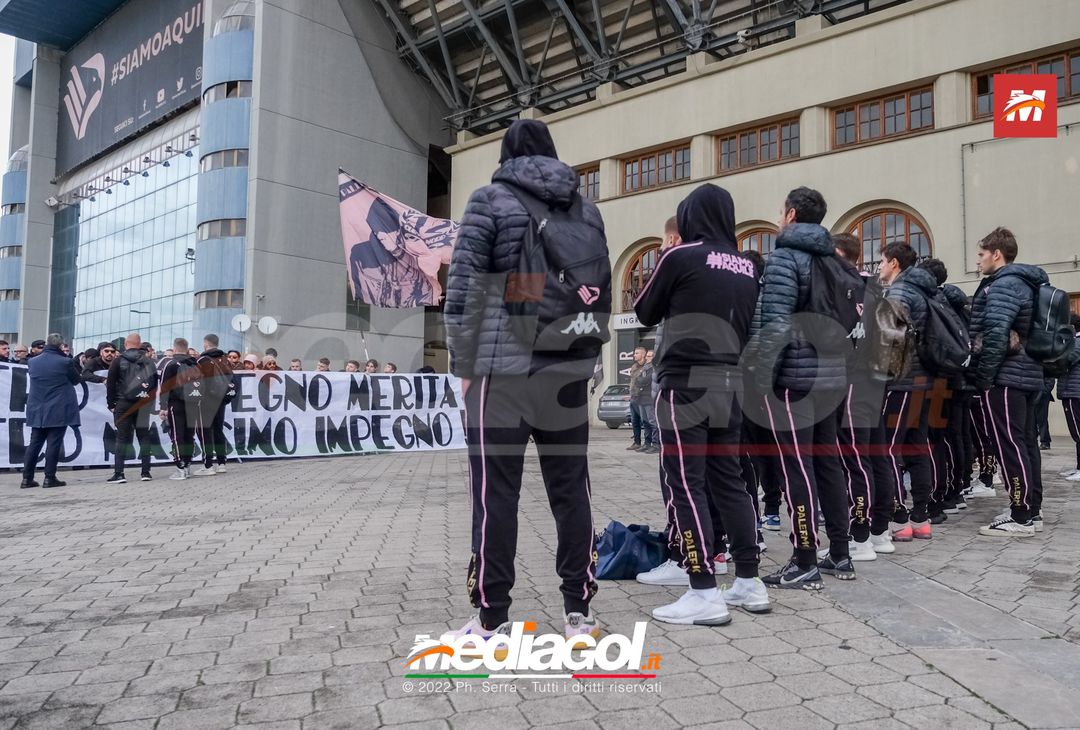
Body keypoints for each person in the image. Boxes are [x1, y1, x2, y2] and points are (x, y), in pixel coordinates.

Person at [444, 118, 608, 641]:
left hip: (503, 367)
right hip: (567, 364)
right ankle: (579, 612)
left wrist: (465, 368)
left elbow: (466, 291)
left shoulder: (489, 200)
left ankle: (491, 617)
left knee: (496, 495)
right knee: (571, 491)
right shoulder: (586, 208)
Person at [634, 184, 767, 623]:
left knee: (686, 484)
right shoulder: (747, 267)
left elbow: (643, 310)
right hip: (730, 382)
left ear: (689, 217)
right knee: (729, 481)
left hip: (684, 383)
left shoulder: (681, 255)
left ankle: (703, 588)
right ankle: (749, 579)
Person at [751, 187, 853, 588]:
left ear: (791, 215)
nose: (779, 218)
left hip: (796, 380)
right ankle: (841, 554)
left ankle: (805, 558)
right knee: (828, 464)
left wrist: (760, 380)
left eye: (780, 211)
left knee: (798, 467)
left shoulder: (784, 260)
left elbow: (774, 327)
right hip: (834, 379)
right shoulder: (837, 264)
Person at [969, 227, 1047, 537]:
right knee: (1026, 442)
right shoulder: (1027, 283)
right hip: (1028, 373)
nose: (979, 260)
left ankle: (1020, 514)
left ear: (996, 254)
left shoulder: (1004, 285)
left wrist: (984, 377)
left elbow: (996, 335)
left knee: (1010, 443)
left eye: (981, 254)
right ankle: (1031, 508)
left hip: (1007, 376)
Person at [878, 243, 938, 540]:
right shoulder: (925, 291)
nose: (879, 267)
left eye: (882, 261)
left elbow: (891, 341)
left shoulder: (900, 292)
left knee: (888, 448)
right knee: (917, 446)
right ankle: (921, 517)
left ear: (895, 263)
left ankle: (898, 515)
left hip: (901, 381)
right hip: (924, 379)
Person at [20, 334, 80, 489]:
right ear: (61, 346)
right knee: (53, 444)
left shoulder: (32, 362)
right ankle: (49, 478)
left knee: (34, 443)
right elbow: (75, 380)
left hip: (37, 408)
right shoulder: (65, 362)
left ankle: (26, 479)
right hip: (58, 408)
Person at [105, 333, 158, 483]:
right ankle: (146, 472)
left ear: (126, 344)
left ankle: (119, 473)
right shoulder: (149, 361)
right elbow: (154, 385)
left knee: (121, 438)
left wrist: (111, 404)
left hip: (123, 402)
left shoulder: (118, 361)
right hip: (143, 403)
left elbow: (111, 383)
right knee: (144, 437)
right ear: (139, 344)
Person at [192, 334, 232, 477]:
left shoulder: (202, 360)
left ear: (205, 343)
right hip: (220, 399)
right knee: (218, 430)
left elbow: (197, 380)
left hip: (206, 400)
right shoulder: (225, 359)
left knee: (205, 431)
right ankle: (221, 463)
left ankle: (208, 465)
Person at [159, 338, 198, 481]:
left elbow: (164, 387)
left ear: (174, 349)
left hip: (176, 404)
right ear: (187, 349)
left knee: (177, 435)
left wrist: (163, 407)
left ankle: (179, 467)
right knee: (189, 435)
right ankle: (187, 466)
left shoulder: (170, 364)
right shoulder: (194, 363)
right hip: (193, 403)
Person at [1057, 315, 1080, 481]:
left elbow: (1065, 361)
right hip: (1073, 391)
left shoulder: (1076, 343)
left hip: (1074, 392)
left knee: (1078, 432)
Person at [626, 347, 649, 451]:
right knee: (634, 420)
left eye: (637, 353)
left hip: (642, 397)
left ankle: (648, 443)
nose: (634, 355)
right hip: (633, 397)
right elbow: (632, 382)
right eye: (634, 353)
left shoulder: (647, 367)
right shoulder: (634, 366)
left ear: (643, 355)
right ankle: (637, 442)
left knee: (645, 420)